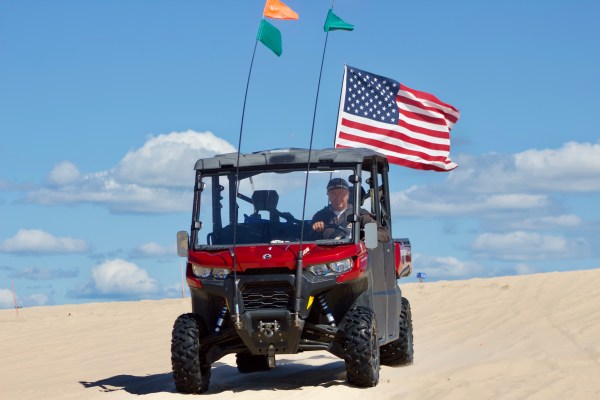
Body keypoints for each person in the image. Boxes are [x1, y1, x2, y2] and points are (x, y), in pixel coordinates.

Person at [311, 178, 390, 242]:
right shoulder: (319, 216)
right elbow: (306, 239)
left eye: (341, 193)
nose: (338, 197)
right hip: (326, 258)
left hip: (352, 258)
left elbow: (384, 233)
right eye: (333, 194)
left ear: (348, 195)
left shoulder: (360, 215)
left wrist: (365, 238)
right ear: (328, 196)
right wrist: (316, 231)